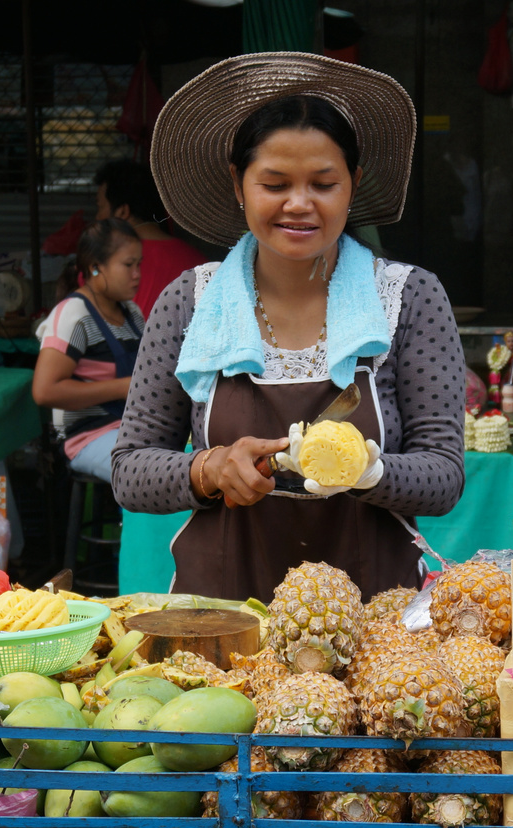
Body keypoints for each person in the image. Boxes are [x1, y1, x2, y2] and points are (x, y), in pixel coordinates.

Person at [111, 53, 466, 601]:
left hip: (378, 618)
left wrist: (368, 472)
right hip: (222, 612)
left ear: (354, 184)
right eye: (274, 183)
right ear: (238, 183)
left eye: (324, 184)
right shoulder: (190, 301)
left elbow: (443, 477)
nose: (299, 205)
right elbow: (130, 471)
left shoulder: (409, 297)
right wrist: (209, 469)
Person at [32, 218, 145, 482]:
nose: (137, 274)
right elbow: (44, 390)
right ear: (95, 268)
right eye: (128, 265)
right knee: (155, 475)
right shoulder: (74, 315)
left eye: (139, 264)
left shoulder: (133, 314)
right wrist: (122, 387)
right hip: (87, 436)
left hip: (132, 428)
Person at [91, 160, 205, 314]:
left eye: (100, 207)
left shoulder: (101, 264)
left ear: (122, 212)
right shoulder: (200, 264)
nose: (97, 217)